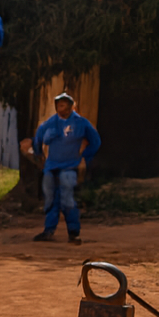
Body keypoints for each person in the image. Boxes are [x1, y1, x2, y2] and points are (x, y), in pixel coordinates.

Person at [32, 91, 101, 244]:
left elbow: (95, 141)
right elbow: (38, 137)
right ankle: (48, 230)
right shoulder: (51, 122)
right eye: (58, 105)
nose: (59, 108)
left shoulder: (81, 123)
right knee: (50, 199)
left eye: (63, 105)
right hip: (51, 167)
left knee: (67, 200)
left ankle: (73, 233)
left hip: (69, 167)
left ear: (70, 107)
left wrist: (85, 156)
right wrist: (39, 154)